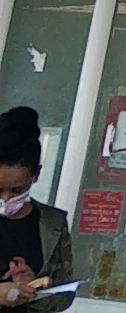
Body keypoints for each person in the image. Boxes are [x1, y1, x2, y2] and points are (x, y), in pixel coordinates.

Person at [0, 108, 72, 311]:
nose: (6, 198)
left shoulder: (52, 224)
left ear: (36, 174)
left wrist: (33, 289)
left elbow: (64, 295)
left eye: (17, 189)